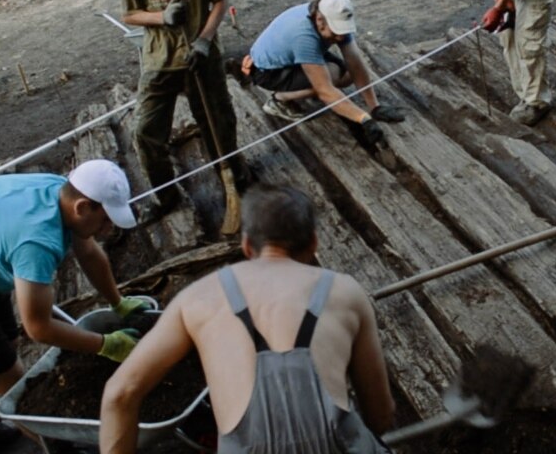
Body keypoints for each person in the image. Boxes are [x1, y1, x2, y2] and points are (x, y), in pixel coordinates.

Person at [100, 184, 396, 454]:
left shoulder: (197, 299)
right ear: (314, 243)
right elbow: (380, 414)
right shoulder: (345, 291)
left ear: (246, 245)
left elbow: (118, 394)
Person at [0, 159, 151, 454]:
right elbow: (39, 327)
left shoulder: (59, 190)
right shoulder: (37, 243)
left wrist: (117, 303)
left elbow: (89, 253)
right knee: (11, 377)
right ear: (83, 207)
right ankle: (57, 446)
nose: (108, 229)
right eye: (106, 219)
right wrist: (107, 345)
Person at [118, 0, 248, 219]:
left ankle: (233, 177)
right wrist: (161, 18)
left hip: (201, 58)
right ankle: (166, 196)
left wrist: (204, 40)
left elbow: (219, 1)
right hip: (160, 60)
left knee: (219, 122)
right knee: (145, 131)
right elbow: (130, 15)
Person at [244, 0, 404, 143]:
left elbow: (355, 62)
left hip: (293, 58)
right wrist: (363, 119)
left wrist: (374, 107)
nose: (340, 37)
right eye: (336, 31)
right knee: (331, 77)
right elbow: (325, 90)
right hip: (268, 72)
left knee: (345, 75)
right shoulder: (304, 37)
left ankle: (303, 85)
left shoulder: (333, 16)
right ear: (320, 20)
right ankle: (279, 100)